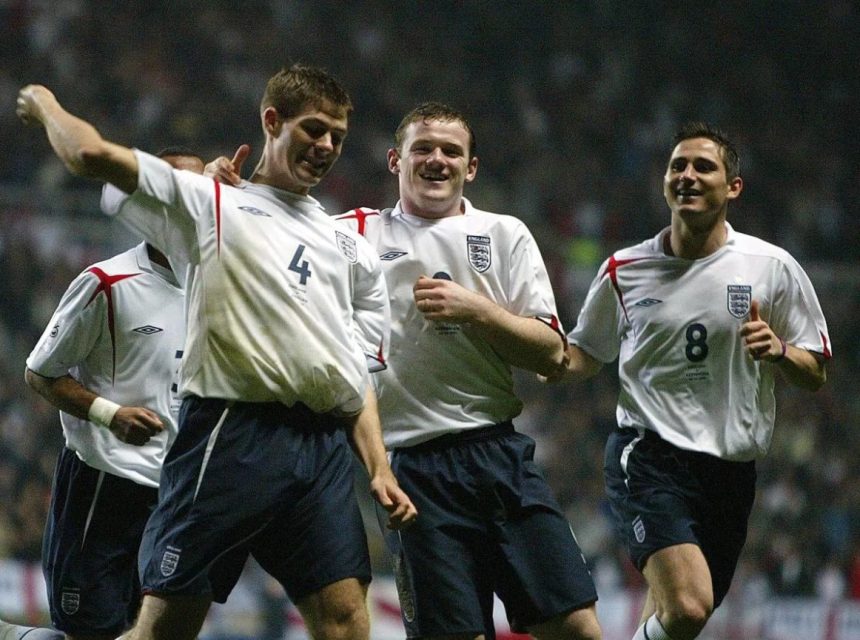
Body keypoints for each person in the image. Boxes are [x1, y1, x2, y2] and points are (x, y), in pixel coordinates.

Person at [16, 63, 416, 640]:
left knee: (348, 622)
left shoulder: (345, 248)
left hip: (319, 452)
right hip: (231, 437)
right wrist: (45, 103)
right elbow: (92, 157)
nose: (326, 146)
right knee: (163, 630)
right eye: (313, 129)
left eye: (338, 136)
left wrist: (378, 468)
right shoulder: (215, 205)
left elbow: (353, 378)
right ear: (272, 121)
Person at [547, 122, 831, 640]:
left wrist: (782, 351)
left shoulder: (772, 268)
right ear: (664, 182)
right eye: (678, 165)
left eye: (704, 166)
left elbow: (815, 372)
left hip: (730, 472)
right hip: (651, 457)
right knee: (688, 607)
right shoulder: (625, 270)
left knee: (671, 620)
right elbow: (583, 354)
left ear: (733, 187)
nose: (688, 175)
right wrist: (518, 343)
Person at [338, 102, 601, 640]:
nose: (437, 160)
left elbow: (551, 351)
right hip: (413, 468)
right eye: (423, 149)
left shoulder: (504, 234)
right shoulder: (355, 233)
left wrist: (476, 309)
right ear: (396, 161)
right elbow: (276, 230)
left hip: (499, 454)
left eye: (451, 151)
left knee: (577, 628)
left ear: (470, 167)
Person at [0, 148, 202, 640]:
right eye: (180, 190)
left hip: (177, 497)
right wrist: (110, 414)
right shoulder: (106, 284)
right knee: (88, 630)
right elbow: (39, 373)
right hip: (103, 488)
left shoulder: (217, 290)